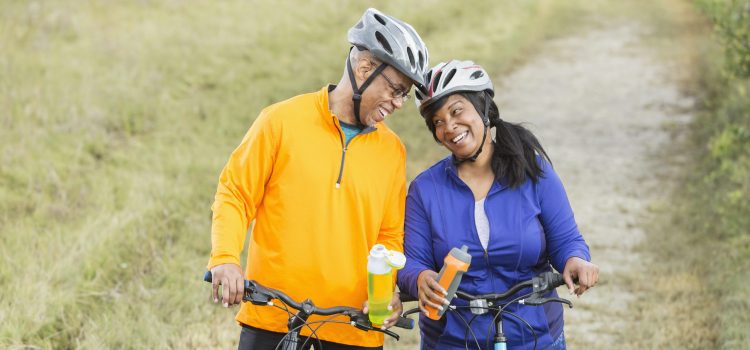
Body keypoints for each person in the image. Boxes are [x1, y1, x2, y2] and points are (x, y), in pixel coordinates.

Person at [206, 8, 429, 350]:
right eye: (396, 90)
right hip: (273, 319)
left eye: (404, 94)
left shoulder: (392, 151)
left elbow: (388, 236)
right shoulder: (280, 122)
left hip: (353, 328)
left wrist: (386, 295)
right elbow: (235, 193)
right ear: (365, 68)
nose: (398, 103)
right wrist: (225, 258)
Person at [396, 60, 599, 350]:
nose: (449, 127)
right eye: (437, 122)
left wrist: (575, 259)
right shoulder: (425, 190)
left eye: (456, 111)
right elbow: (410, 262)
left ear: (484, 108)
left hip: (535, 336)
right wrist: (419, 277)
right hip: (453, 340)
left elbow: (566, 240)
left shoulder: (532, 172)